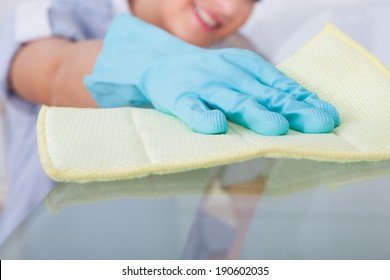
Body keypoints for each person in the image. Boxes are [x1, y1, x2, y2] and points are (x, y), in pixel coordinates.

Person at [0, 0, 339, 245]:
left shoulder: (240, 64)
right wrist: (149, 69)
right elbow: (55, 72)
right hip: (37, 250)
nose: (231, 8)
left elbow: (238, 211)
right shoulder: (60, 13)